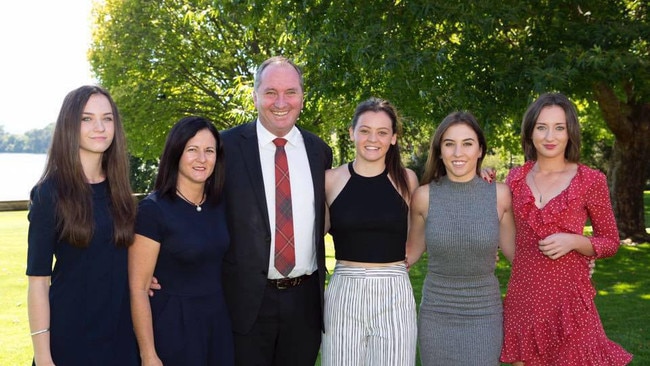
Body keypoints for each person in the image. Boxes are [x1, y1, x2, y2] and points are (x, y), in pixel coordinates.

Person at [499, 92, 633, 365]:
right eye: (542, 127)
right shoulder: (514, 179)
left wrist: (574, 242)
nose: (550, 136)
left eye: (559, 127)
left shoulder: (590, 180)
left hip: (570, 303)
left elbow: (610, 241)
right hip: (524, 300)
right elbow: (508, 237)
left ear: (570, 132)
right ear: (530, 132)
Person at [220, 56, 333, 365]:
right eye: (270, 92)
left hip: (305, 302)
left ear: (302, 97)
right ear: (255, 96)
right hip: (246, 303)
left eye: (291, 92)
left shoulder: (318, 151)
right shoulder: (225, 148)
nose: (281, 102)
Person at [26, 85, 139, 365]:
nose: (99, 127)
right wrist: (43, 357)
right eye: (86, 118)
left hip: (122, 339)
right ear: (69, 125)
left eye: (107, 118)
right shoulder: (48, 193)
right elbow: (38, 283)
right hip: (70, 341)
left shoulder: (121, 192)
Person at [406, 111, 516, 365]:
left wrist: (570, 265)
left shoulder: (499, 195)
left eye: (467, 143)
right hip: (436, 315)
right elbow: (409, 254)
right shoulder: (423, 197)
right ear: (439, 150)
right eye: (449, 144)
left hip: (485, 315)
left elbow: (517, 257)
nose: (458, 153)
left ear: (480, 150)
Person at [322, 97, 419, 365]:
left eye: (382, 132)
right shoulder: (331, 179)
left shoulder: (407, 180)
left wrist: (403, 262)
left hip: (394, 290)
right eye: (364, 130)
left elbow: (420, 230)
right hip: (345, 291)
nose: (372, 139)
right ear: (352, 133)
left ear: (393, 138)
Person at [129, 116, 233, 365]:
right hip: (173, 328)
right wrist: (148, 354)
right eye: (192, 150)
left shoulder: (219, 205)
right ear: (176, 153)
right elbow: (139, 289)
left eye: (209, 151)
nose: (202, 159)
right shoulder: (153, 211)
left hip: (217, 326)